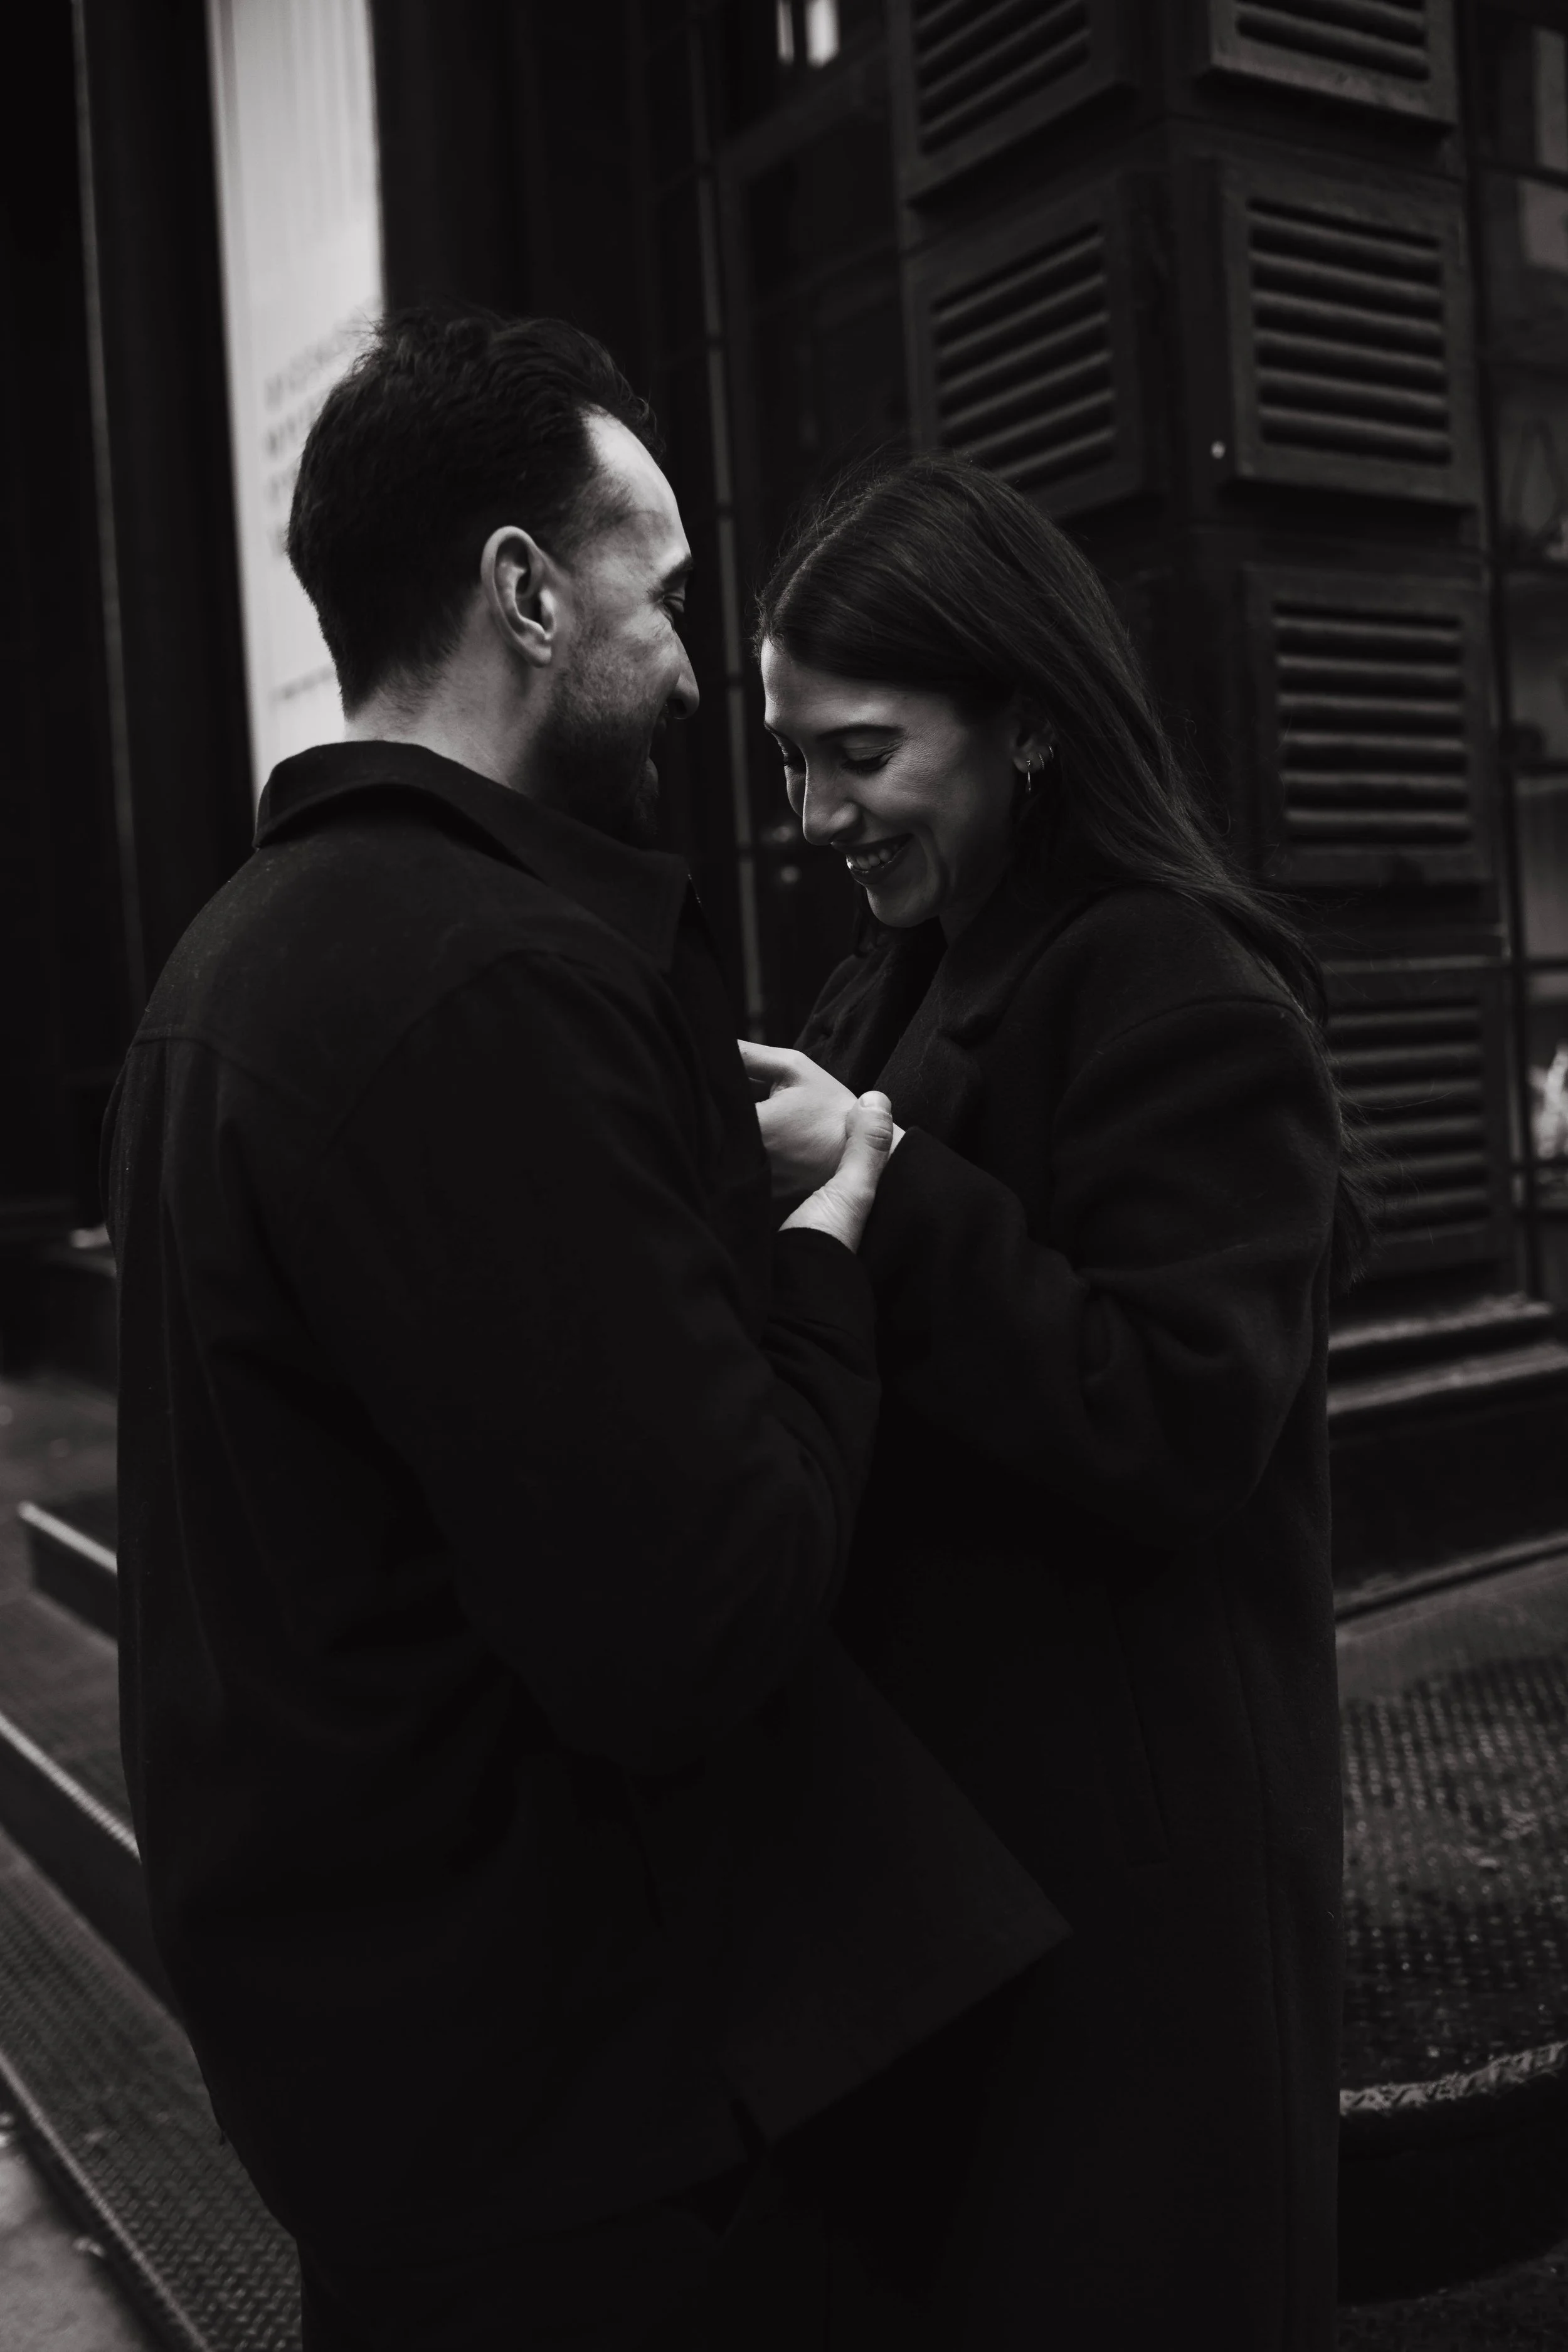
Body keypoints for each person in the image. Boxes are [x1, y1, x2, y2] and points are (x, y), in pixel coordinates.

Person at [101, 320, 1064, 2350]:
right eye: (670, 593)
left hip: (390, 2088)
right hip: (577, 2142)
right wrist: (819, 1247)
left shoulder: (231, 962)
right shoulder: (480, 982)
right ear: (527, 592)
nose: (704, 669)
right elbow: (697, 1614)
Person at [741, 452, 1367, 2349]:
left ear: (1021, 722)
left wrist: (876, 1183)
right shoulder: (897, 975)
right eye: (787, 759)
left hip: (1125, 1899)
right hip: (956, 1884)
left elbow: (1176, 1418)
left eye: (858, 751)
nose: (811, 810)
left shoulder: (1183, 989)